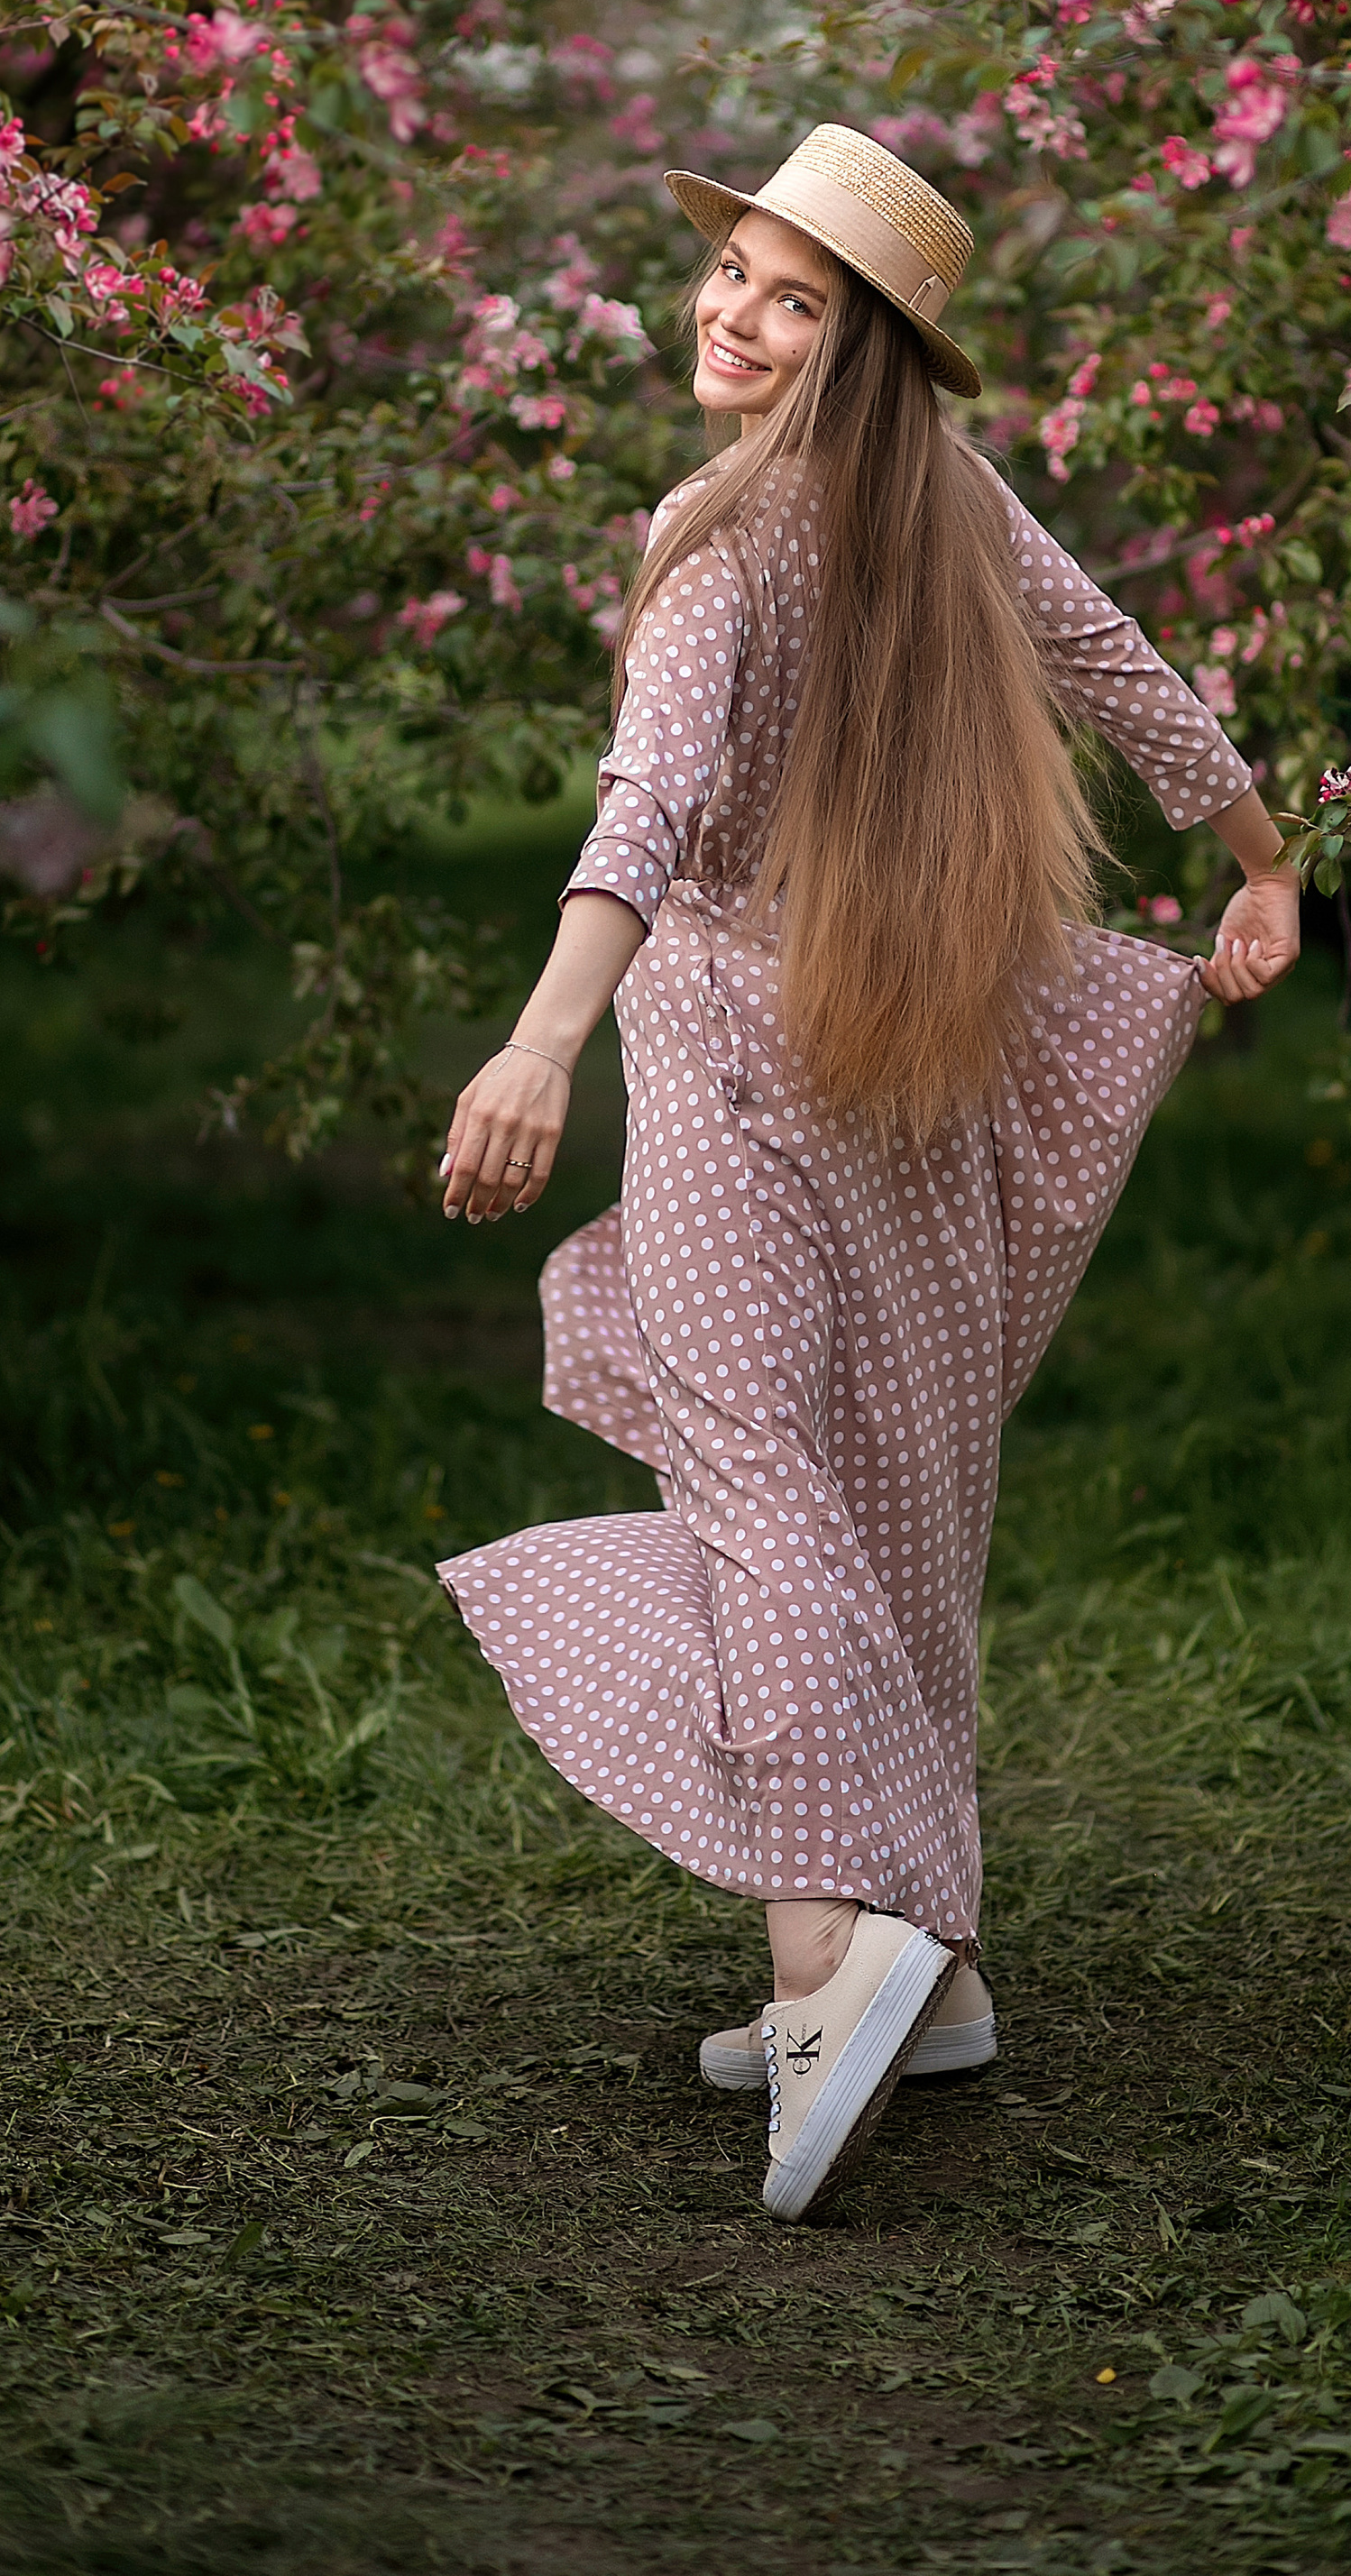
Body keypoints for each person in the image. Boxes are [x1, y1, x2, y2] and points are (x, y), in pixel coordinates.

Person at [437, 124, 1299, 2223]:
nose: (731, 314)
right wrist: (1263, 856)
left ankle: (834, 1960)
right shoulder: (947, 510)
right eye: (729, 272)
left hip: (744, 1053)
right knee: (898, 1485)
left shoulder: (717, 542)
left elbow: (645, 811)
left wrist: (540, 1036)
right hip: (908, 1059)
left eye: (786, 297)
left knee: (759, 1477)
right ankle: (951, 1970)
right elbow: (1130, 680)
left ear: (866, 348)